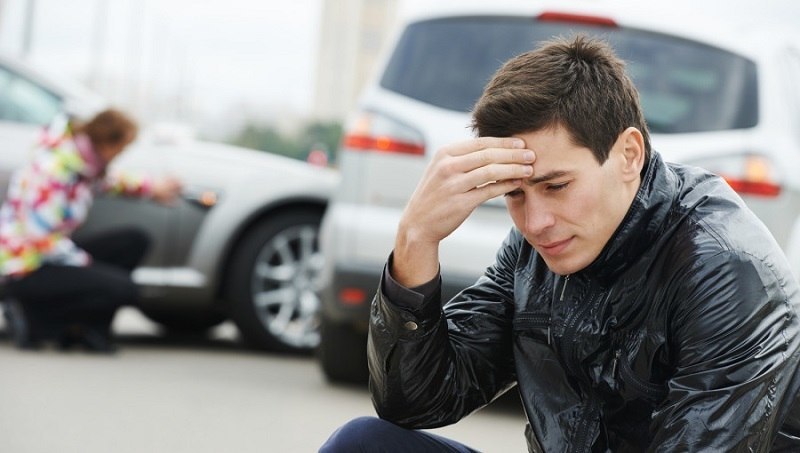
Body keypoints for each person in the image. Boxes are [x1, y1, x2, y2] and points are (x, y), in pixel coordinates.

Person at [320, 35, 800, 452]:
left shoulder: (725, 268)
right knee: (363, 444)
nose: (536, 221)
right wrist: (416, 240)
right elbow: (419, 402)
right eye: (514, 194)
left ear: (628, 154)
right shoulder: (533, 250)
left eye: (556, 186)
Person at [0, 108, 182, 352]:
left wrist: (154, 188)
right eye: (122, 147)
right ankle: (34, 318)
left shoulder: (82, 164)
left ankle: (87, 330)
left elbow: (114, 181)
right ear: (106, 142)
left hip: (48, 256)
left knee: (134, 241)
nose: (121, 154)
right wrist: (88, 265)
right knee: (122, 287)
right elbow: (40, 237)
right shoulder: (52, 170)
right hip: (24, 266)